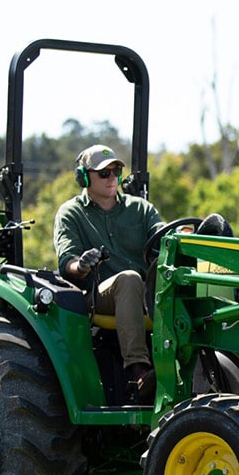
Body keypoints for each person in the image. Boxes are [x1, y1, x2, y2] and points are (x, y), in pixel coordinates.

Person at [54, 144, 165, 404]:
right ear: (83, 177)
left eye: (115, 171)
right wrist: (81, 266)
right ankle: (138, 372)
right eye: (104, 173)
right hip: (99, 295)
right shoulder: (72, 213)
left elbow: (164, 238)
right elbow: (67, 262)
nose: (112, 177)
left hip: (146, 294)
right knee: (129, 279)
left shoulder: (141, 209)